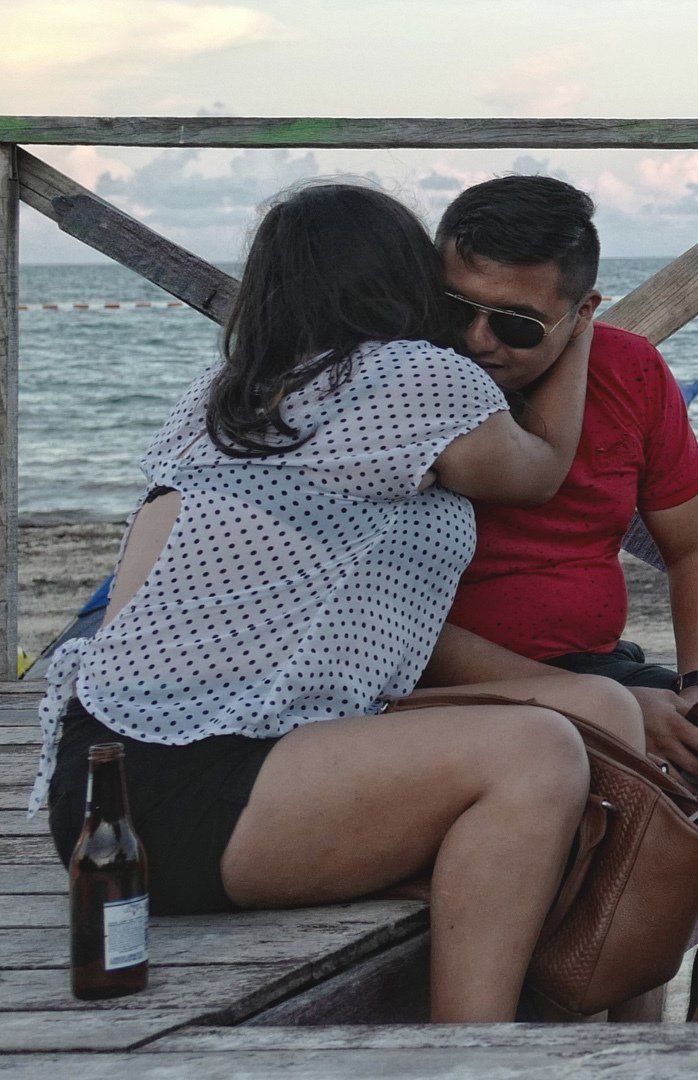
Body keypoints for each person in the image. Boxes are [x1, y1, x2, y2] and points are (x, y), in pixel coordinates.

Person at [32, 181, 648, 1022]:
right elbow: (539, 470)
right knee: (535, 752)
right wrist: (572, 333)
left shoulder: (226, 394)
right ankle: (476, 1050)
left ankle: (602, 1017)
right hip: (205, 787)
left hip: (102, 794)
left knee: (594, 709)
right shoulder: (413, 376)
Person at [417, 175, 698, 1022]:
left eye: (514, 322)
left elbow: (696, 546)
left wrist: (695, 686)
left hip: (593, 670)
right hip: (441, 687)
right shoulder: (406, 385)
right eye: (451, 309)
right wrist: (608, 705)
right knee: (618, 843)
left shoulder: (629, 370)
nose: (475, 341)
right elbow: (383, 617)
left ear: (583, 313)